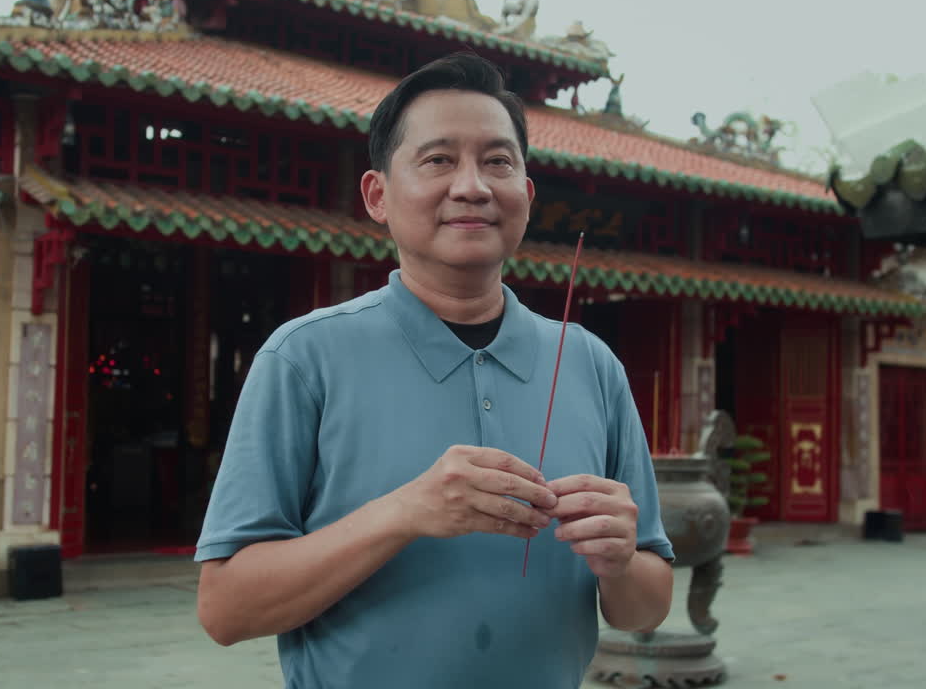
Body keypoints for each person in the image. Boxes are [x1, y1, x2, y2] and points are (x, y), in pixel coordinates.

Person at [194, 52, 674, 688]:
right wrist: (406, 512)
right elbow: (226, 608)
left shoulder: (589, 363)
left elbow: (646, 606)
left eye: (498, 161)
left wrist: (619, 560)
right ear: (378, 195)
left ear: (526, 196)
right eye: (438, 159)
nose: (472, 186)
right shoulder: (305, 358)